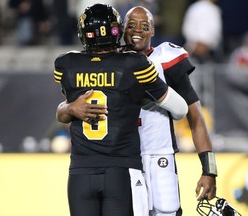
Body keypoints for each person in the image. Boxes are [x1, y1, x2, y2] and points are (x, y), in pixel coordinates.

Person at [57, 5, 218, 216]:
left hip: (157, 156)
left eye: (145, 26)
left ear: (153, 30)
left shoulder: (166, 58)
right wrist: (69, 107)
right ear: (120, 30)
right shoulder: (108, 60)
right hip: (121, 162)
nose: (137, 31)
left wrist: (209, 170)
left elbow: (194, 116)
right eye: (131, 25)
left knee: (166, 210)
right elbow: (66, 106)